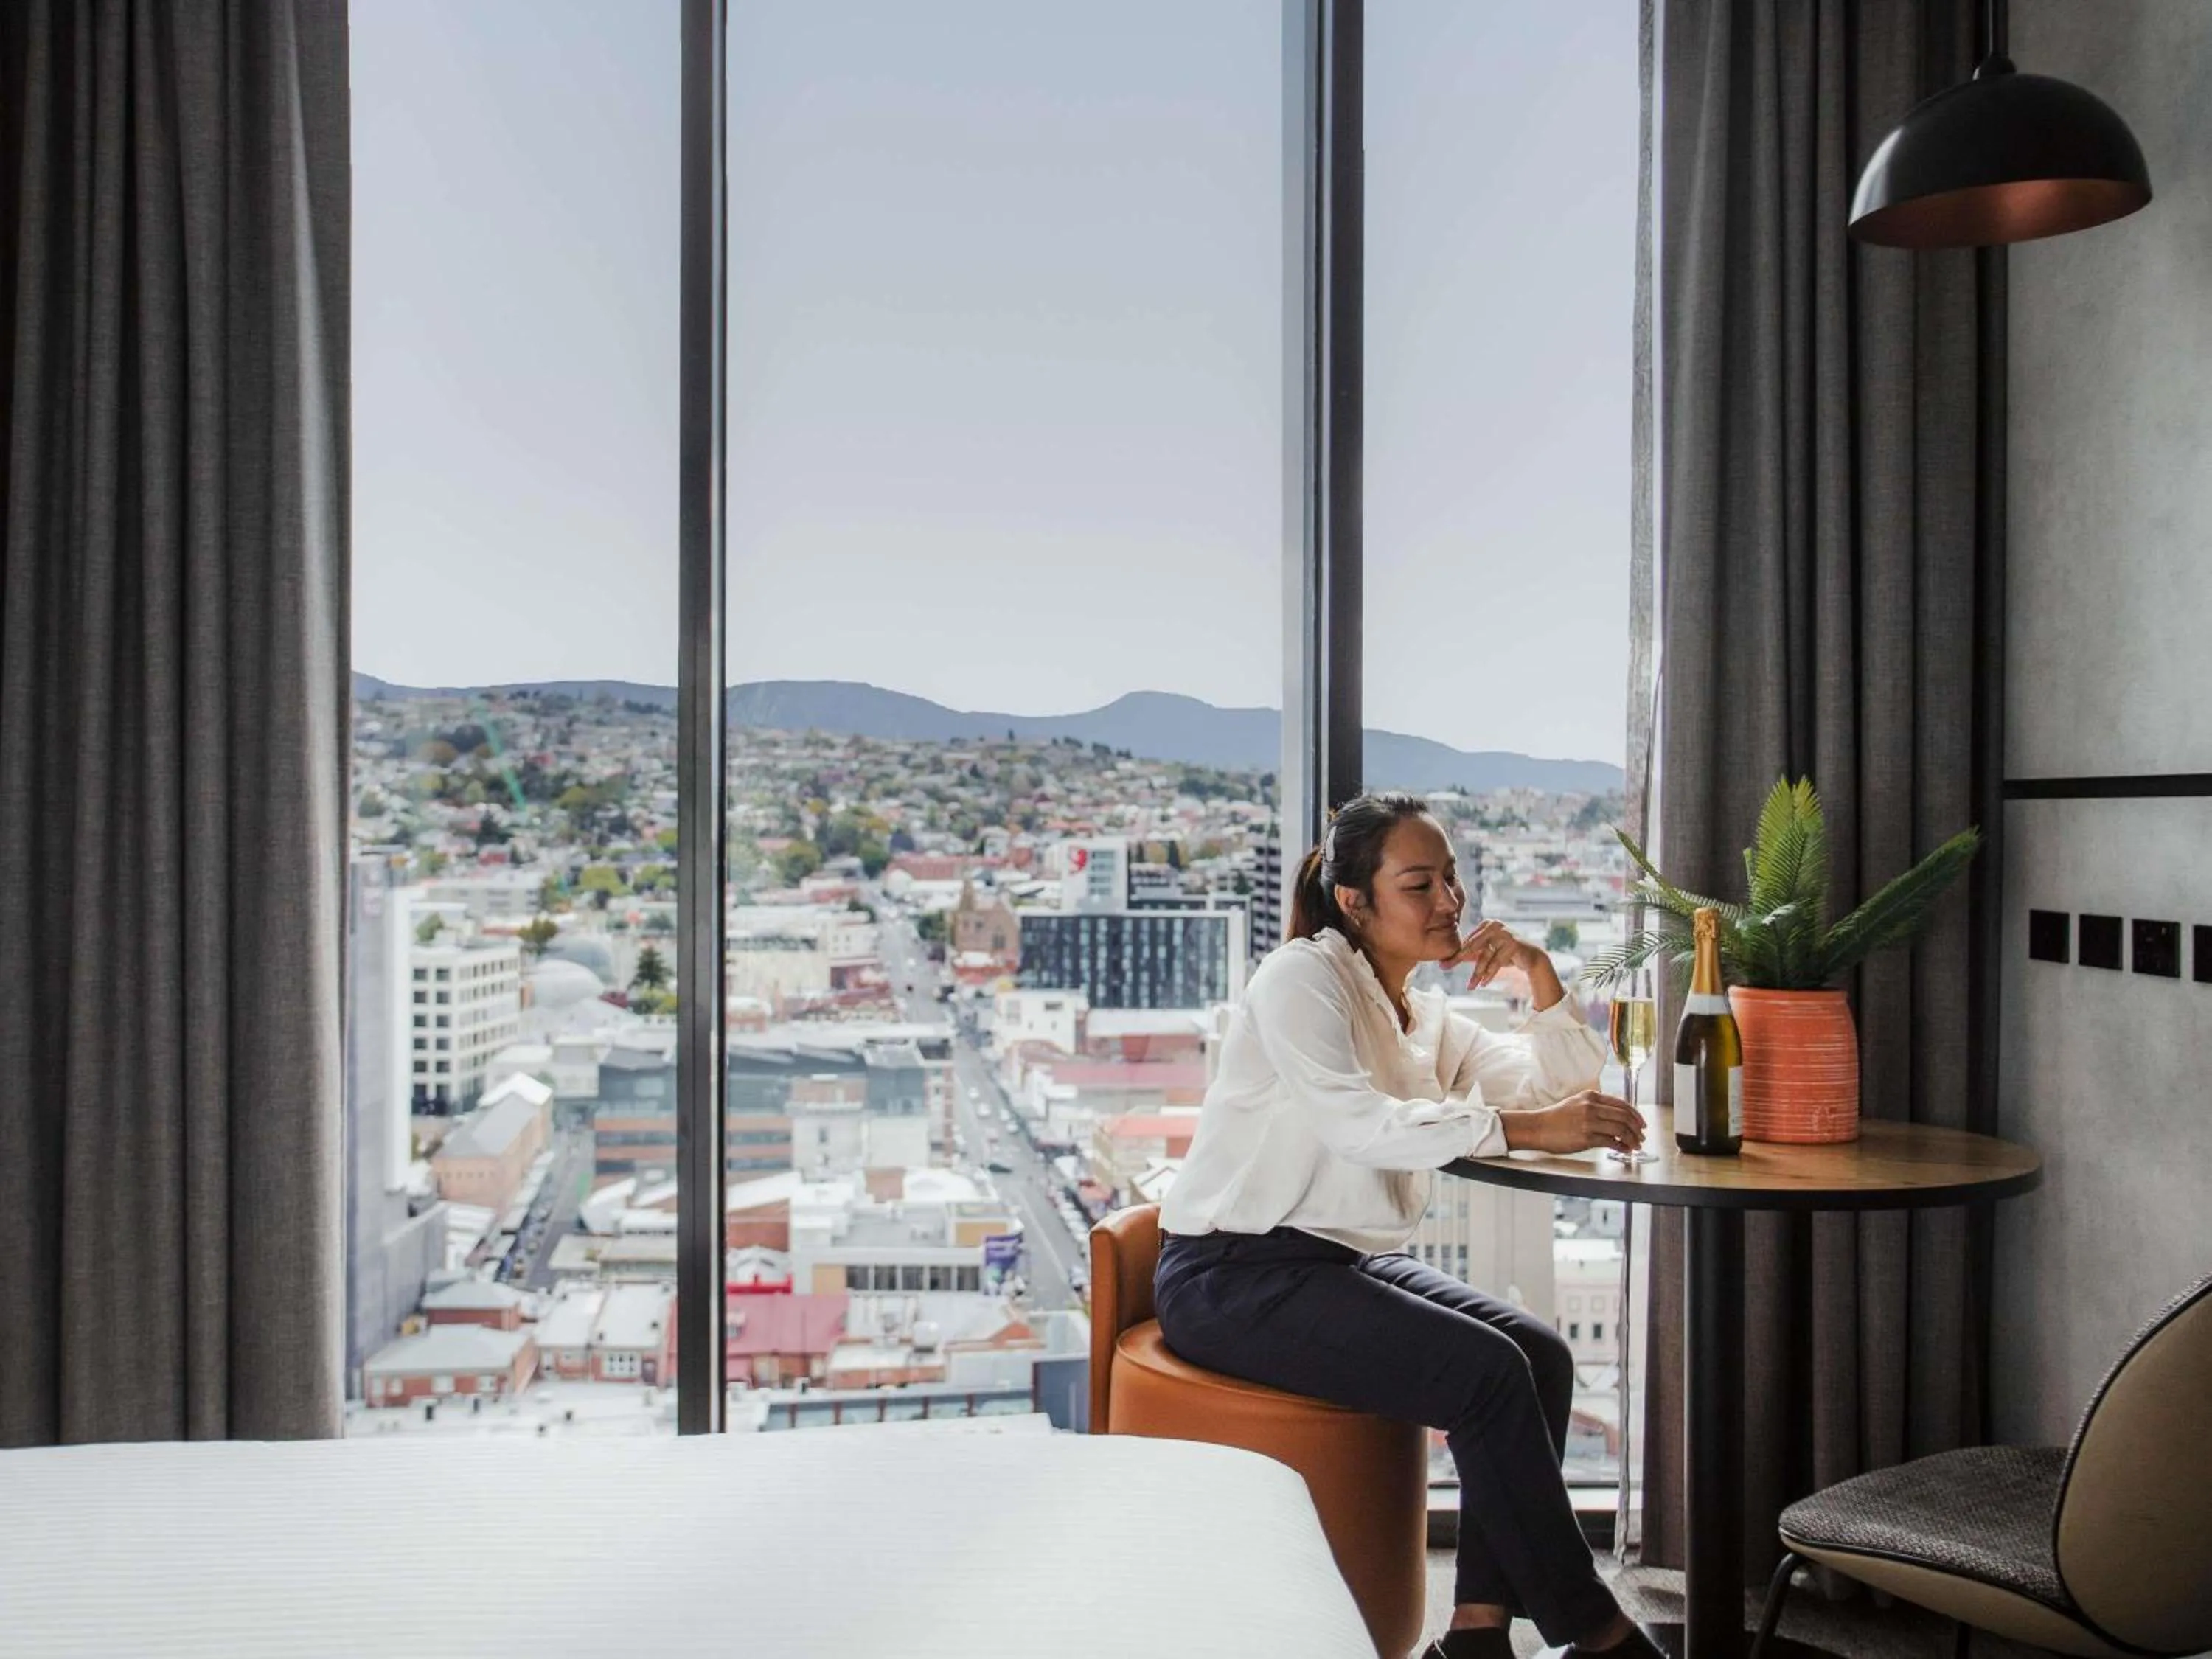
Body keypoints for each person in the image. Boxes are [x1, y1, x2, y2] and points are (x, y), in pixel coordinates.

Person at [1155, 792, 1656, 1659]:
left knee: (1540, 1355)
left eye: (1452, 879)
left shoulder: (1423, 1013)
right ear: (1356, 902)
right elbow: (1357, 1123)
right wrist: (1531, 1131)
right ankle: (1597, 1630)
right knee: (1489, 1375)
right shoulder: (1301, 979)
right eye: (1420, 885)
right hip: (1231, 1275)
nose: (1450, 902)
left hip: (1329, 1264)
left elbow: (1548, 1090)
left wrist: (1540, 977)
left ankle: (1476, 1633)